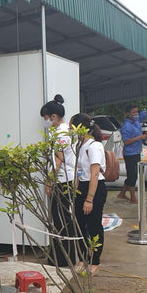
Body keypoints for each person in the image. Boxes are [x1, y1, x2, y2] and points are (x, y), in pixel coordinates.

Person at [40, 95, 77, 267]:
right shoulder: (62, 131)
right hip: (64, 180)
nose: (45, 122)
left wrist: (49, 181)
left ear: (53, 117)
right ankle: (62, 256)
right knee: (62, 218)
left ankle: (62, 259)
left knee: (60, 220)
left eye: (46, 118)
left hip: (62, 181)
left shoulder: (61, 132)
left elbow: (58, 159)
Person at [70, 113, 108, 276]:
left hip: (95, 188)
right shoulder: (79, 145)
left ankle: (95, 261)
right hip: (82, 187)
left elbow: (94, 174)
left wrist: (89, 199)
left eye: (73, 126)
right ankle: (81, 259)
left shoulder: (94, 146)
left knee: (93, 225)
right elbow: (79, 171)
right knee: (79, 224)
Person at [117, 102, 147, 204]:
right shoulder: (126, 126)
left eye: (136, 112)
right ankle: (133, 197)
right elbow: (126, 142)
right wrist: (140, 137)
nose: (136, 114)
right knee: (132, 175)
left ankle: (122, 194)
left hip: (136, 151)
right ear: (128, 114)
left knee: (133, 174)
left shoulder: (137, 120)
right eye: (133, 112)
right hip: (130, 154)